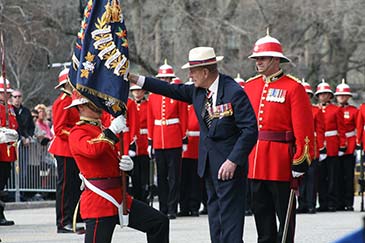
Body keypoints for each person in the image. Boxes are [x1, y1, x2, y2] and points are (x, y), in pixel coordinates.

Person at [128, 46, 258, 243]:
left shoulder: (233, 91)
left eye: (192, 71)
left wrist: (233, 160)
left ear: (205, 72)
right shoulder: (198, 91)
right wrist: (135, 78)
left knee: (230, 220)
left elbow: (250, 130)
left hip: (229, 166)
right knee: (215, 217)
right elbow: (169, 89)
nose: (189, 75)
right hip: (207, 165)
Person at [67, 90, 169, 243]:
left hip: (119, 196)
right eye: (93, 102)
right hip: (99, 199)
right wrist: (112, 130)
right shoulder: (77, 132)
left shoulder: (100, 128)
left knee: (159, 222)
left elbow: (110, 157)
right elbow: (93, 150)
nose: (99, 105)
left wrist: (127, 166)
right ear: (81, 107)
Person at [244, 32, 315, 243]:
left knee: (284, 218)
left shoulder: (294, 88)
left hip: (280, 161)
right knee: (261, 214)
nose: (258, 62)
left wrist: (301, 160)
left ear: (276, 60)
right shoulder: (250, 86)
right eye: (256, 58)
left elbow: (304, 129)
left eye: (262, 58)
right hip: (255, 159)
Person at [146, 61, 188, 219]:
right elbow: (151, 119)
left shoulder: (177, 95)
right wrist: (150, 141)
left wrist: (184, 139)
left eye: (167, 79)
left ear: (171, 79)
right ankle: (163, 207)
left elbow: (183, 117)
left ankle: (172, 208)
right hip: (158, 139)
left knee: (174, 177)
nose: (164, 81)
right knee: (161, 176)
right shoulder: (152, 97)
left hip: (174, 138)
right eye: (162, 79)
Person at [48, 68, 84, 233]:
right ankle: (63, 222)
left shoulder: (74, 99)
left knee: (75, 186)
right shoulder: (63, 101)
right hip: (64, 149)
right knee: (65, 187)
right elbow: (60, 128)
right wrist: (78, 134)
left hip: (73, 149)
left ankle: (74, 219)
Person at [315, 80, 347, 212]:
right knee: (321, 176)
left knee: (333, 176)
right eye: (321, 94)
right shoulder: (315, 109)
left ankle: (332, 202)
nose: (323, 96)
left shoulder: (336, 109)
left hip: (332, 144)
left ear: (330, 96)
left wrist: (342, 145)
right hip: (319, 144)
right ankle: (323, 202)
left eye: (325, 94)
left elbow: (342, 128)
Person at [297, 80, 325, 214]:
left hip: (312, 146)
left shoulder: (316, 110)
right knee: (300, 177)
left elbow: (320, 131)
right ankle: (301, 203)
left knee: (312, 178)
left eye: (307, 94)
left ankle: (311, 204)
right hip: (299, 146)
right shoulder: (295, 109)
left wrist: (320, 148)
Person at [179, 80, 201, 217]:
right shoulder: (182, 106)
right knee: (183, 179)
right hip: (184, 145)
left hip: (197, 145)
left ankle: (194, 206)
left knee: (196, 179)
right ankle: (183, 206)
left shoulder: (200, 105)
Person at [334, 79, 358, 211]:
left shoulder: (354, 111)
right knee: (337, 176)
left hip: (349, 145)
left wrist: (355, 144)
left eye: (344, 95)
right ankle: (338, 202)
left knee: (348, 176)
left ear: (348, 97)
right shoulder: (332, 109)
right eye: (339, 95)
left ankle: (349, 202)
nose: (341, 97)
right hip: (335, 145)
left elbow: (357, 128)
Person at [0, 77, 18, 226]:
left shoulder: (9, 108)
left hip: (8, 151)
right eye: (3, 93)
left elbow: (14, 125)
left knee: (2, 185)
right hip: (0, 151)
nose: (6, 95)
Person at [11, 89, 35, 200]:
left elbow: (31, 126)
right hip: (13, 143)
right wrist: (21, 138)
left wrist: (29, 137)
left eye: (19, 96)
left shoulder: (26, 111)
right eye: (15, 97)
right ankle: (12, 194)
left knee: (23, 169)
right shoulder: (10, 110)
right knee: (12, 170)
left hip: (25, 143)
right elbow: (13, 126)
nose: (17, 99)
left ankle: (22, 193)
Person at [130, 84, 150, 203]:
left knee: (145, 173)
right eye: (134, 90)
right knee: (135, 174)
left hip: (144, 142)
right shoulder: (130, 105)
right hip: (134, 143)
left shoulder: (148, 105)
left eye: (139, 90)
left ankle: (145, 195)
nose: (137, 93)